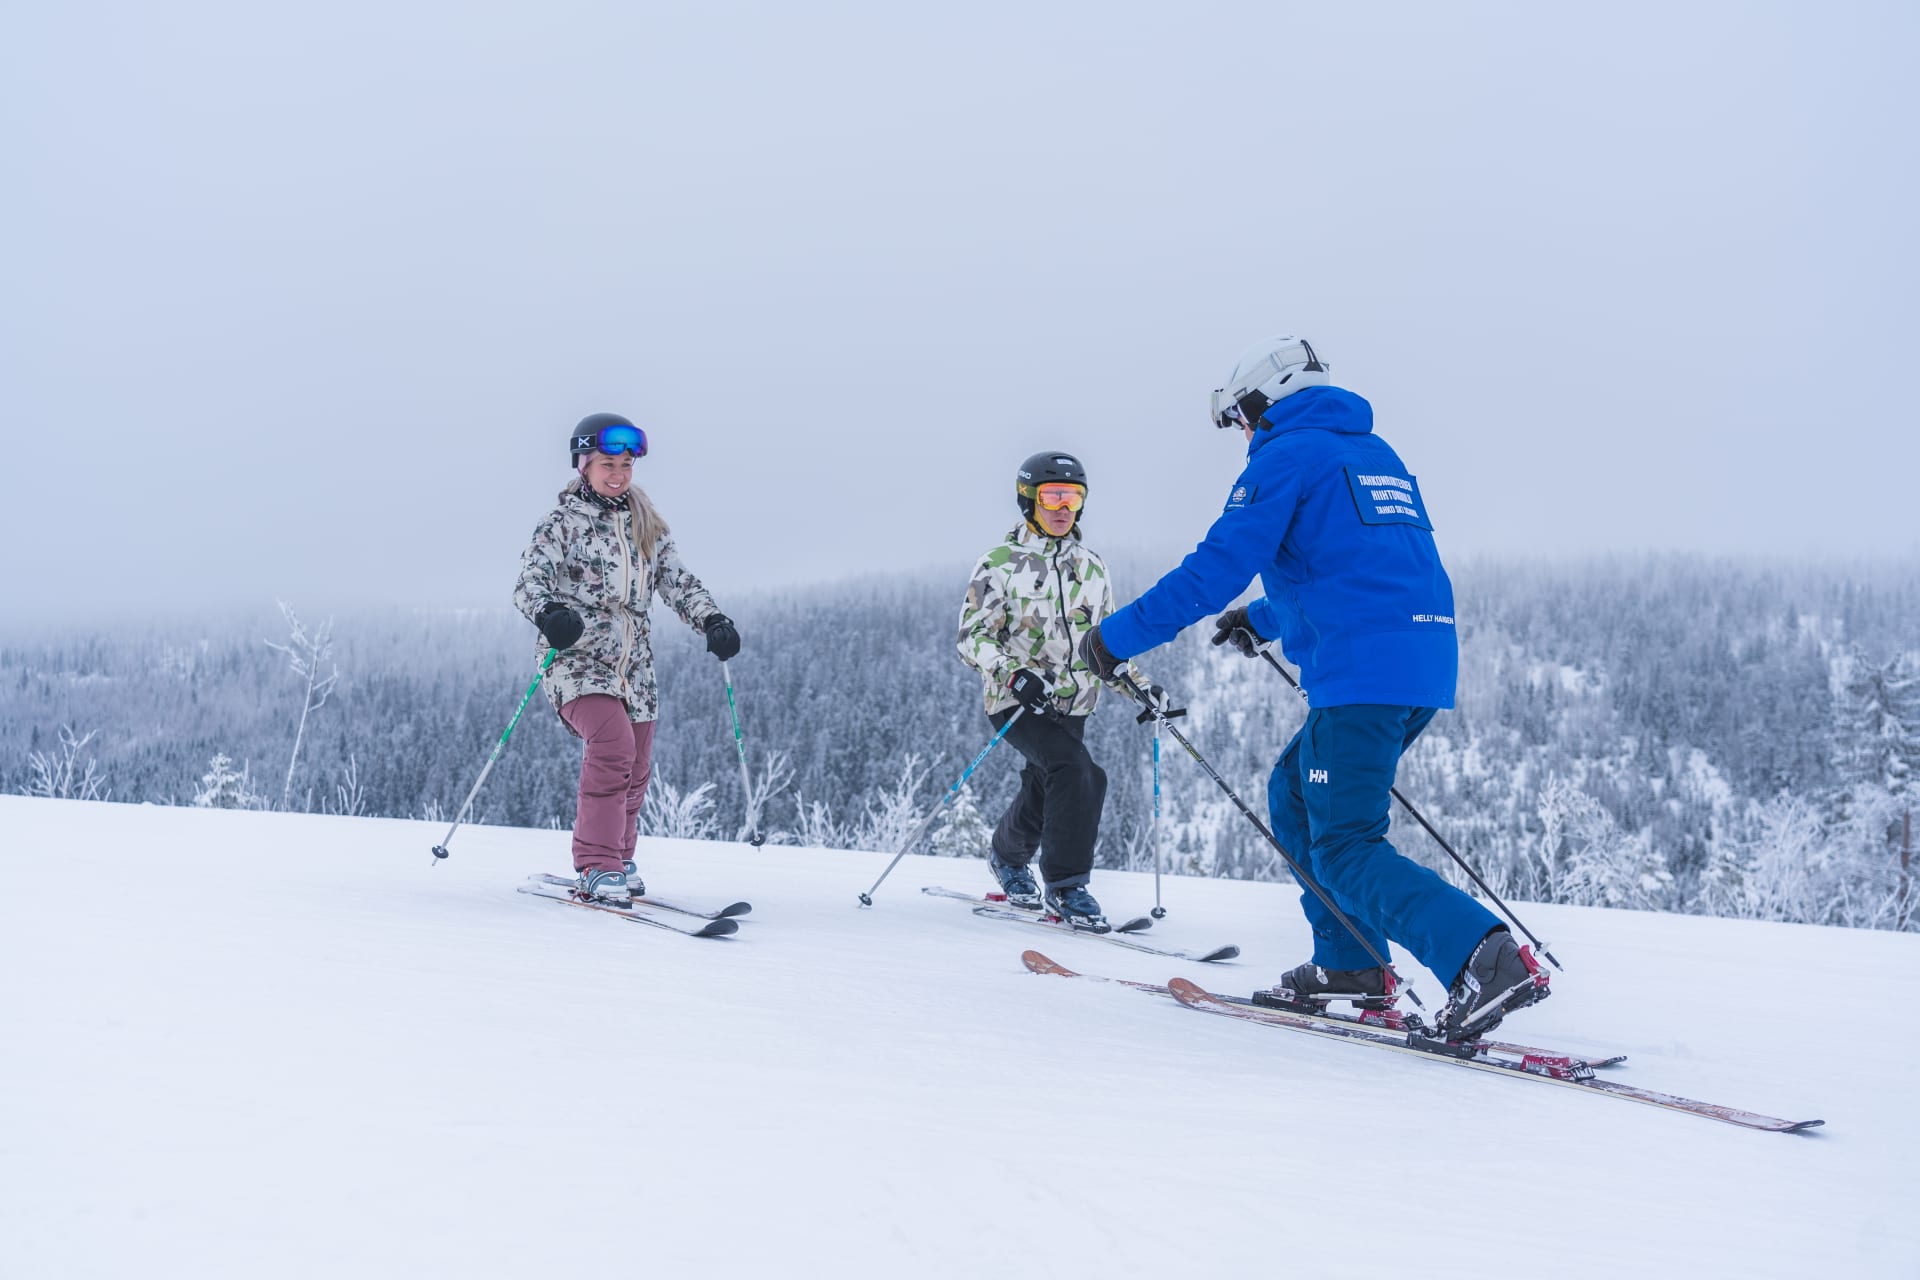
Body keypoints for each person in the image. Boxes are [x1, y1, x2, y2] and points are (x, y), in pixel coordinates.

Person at [1078, 336, 1548, 1038]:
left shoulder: (1287, 454)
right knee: (1294, 792)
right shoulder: (1372, 455)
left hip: (1361, 674)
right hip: (1415, 663)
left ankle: (1485, 958)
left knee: (1346, 845)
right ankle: (1351, 966)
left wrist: (1113, 640)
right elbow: (1361, 571)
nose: (1242, 432)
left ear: (1268, 402)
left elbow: (1214, 567)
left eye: (1241, 416)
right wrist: (1264, 619)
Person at [511, 413, 740, 906]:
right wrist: (550, 613)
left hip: (634, 666)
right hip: (575, 658)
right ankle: (596, 863)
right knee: (612, 746)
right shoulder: (563, 524)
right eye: (606, 464)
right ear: (584, 465)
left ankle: (618, 855)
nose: (617, 473)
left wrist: (712, 620)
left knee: (635, 766)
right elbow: (529, 582)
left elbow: (677, 582)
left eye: (626, 464)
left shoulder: (646, 525)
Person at [956, 451, 1166, 932]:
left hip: (1076, 701)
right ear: (1027, 499)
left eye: (1073, 496)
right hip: (1017, 701)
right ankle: (1067, 884)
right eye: (1052, 495)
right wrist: (1014, 674)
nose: (1062, 506)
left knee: (1046, 780)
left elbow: (1104, 645)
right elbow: (972, 638)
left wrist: (1142, 689)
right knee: (1079, 773)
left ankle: (1007, 858)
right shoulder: (1000, 564)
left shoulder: (1092, 568)